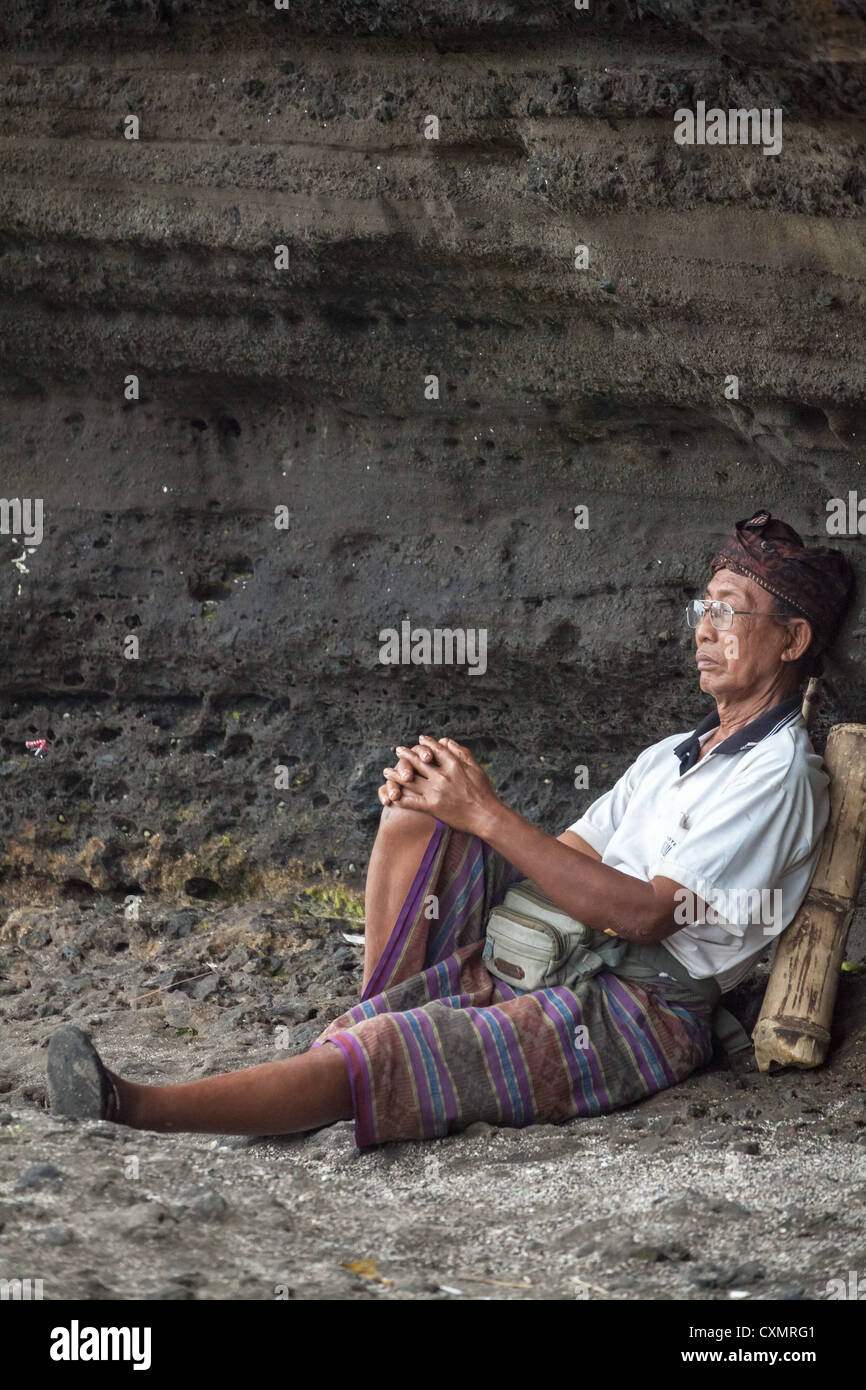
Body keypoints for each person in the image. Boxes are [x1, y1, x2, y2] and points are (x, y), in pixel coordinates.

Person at [47, 508, 855, 1148]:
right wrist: (454, 805)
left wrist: (488, 812)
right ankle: (382, 1007)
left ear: (793, 640)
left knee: (384, 1057)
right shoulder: (674, 755)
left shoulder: (774, 772)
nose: (706, 630)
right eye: (702, 608)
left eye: (732, 613)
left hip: (637, 1009)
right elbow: (570, 856)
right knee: (413, 819)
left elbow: (651, 915)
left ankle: (132, 1105)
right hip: (552, 946)